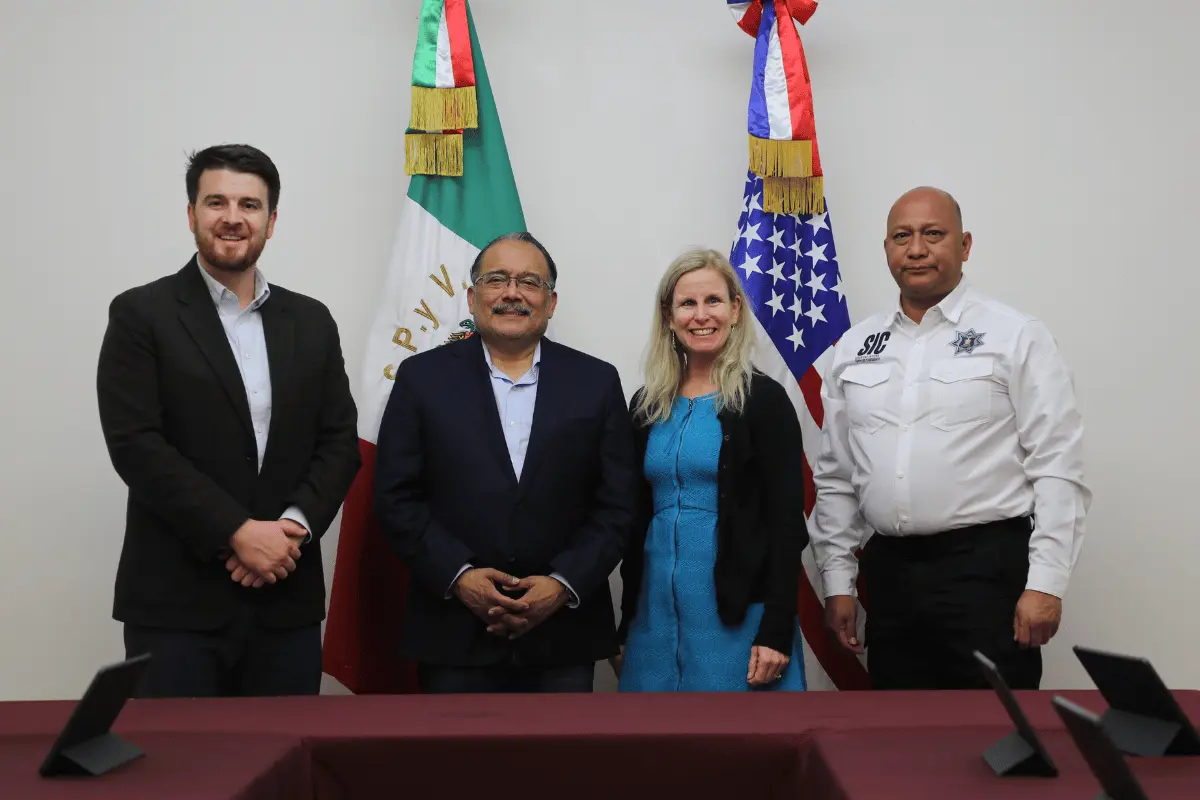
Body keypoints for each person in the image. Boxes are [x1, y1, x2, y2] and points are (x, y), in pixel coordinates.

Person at [96, 144, 362, 697]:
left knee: (286, 751)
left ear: (271, 221)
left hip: (286, 602)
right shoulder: (141, 314)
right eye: (216, 202)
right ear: (191, 214)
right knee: (177, 754)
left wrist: (291, 530)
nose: (233, 217)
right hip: (176, 606)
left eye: (250, 204)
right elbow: (137, 445)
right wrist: (236, 533)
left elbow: (339, 441)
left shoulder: (312, 321)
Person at [810, 186, 1090, 691]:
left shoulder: (1015, 335)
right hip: (891, 577)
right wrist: (837, 581)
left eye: (933, 234)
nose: (916, 249)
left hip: (985, 574)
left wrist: (1047, 583)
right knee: (898, 730)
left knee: (995, 728)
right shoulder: (855, 347)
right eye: (902, 236)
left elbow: (1057, 465)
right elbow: (836, 476)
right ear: (887, 249)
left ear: (964, 245)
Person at [373, 232, 637, 694]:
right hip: (453, 633)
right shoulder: (421, 378)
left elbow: (618, 504)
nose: (512, 293)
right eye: (496, 280)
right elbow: (396, 496)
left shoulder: (596, 381)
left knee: (562, 747)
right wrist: (460, 577)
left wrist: (562, 583)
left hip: (563, 635)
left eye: (529, 282)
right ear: (471, 297)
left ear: (551, 302)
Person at [615, 248, 808, 692]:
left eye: (713, 301)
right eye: (687, 303)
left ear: (735, 310)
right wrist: (626, 623)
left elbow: (786, 526)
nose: (701, 315)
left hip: (738, 618)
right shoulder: (646, 405)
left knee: (737, 735)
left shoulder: (764, 401)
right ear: (669, 316)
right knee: (655, 736)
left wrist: (777, 628)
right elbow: (633, 520)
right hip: (653, 619)